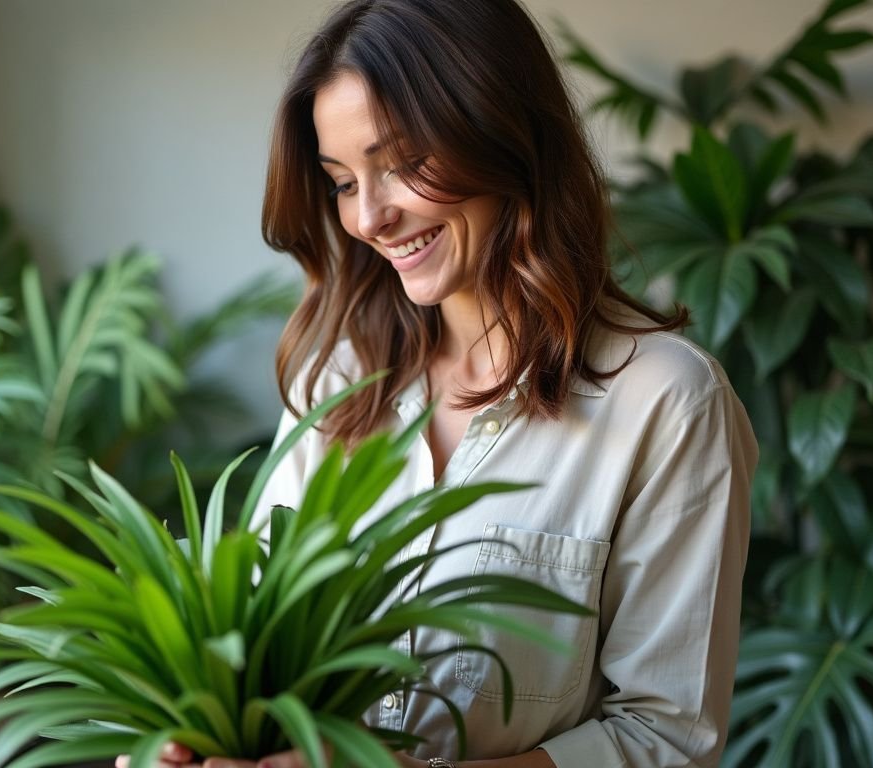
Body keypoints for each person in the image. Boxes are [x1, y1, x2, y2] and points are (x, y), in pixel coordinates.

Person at [119, 0, 757, 766]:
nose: (369, 218)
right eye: (343, 182)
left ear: (500, 133)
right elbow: (260, 653)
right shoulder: (340, 384)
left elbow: (667, 741)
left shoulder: (666, 402)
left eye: (400, 164)